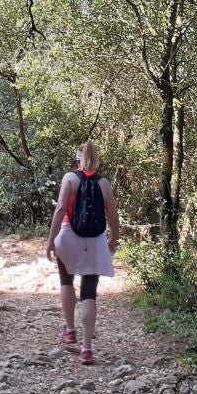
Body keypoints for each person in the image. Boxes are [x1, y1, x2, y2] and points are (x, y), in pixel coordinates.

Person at [45, 140, 119, 364]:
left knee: (66, 281)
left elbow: (59, 210)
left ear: (77, 159)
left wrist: (51, 240)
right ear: (97, 159)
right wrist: (113, 240)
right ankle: (86, 349)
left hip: (68, 236)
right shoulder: (104, 183)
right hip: (95, 241)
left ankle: (70, 330)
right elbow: (113, 217)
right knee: (89, 291)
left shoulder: (69, 178)